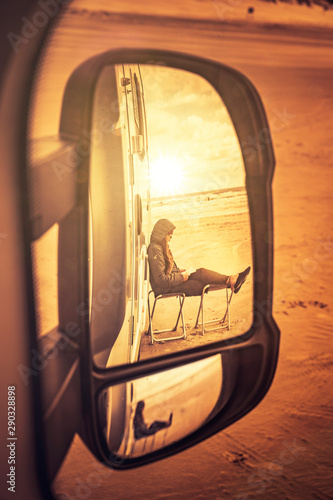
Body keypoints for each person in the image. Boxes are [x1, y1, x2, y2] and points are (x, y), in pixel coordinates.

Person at [148, 218, 250, 297]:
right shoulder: (155, 249)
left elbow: (165, 269)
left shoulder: (159, 247)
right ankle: (232, 282)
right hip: (165, 288)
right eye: (169, 235)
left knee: (202, 272)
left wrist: (178, 271)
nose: (171, 238)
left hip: (171, 282)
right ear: (162, 234)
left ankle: (232, 279)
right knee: (200, 284)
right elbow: (161, 280)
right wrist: (181, 277)